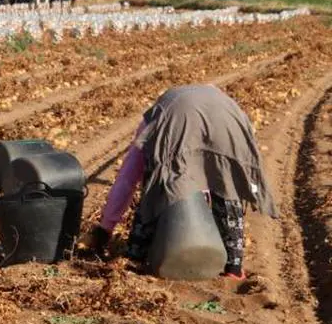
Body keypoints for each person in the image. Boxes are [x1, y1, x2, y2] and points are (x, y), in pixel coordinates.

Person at [93, 84, 276, 278]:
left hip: (176, 119)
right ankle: (233, 268)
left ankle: (134, 258)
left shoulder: (153, 120)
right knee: (228, 183)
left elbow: (128, 178)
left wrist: (105, 228)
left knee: (156, 184)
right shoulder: (229, 107)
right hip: (231, 121)